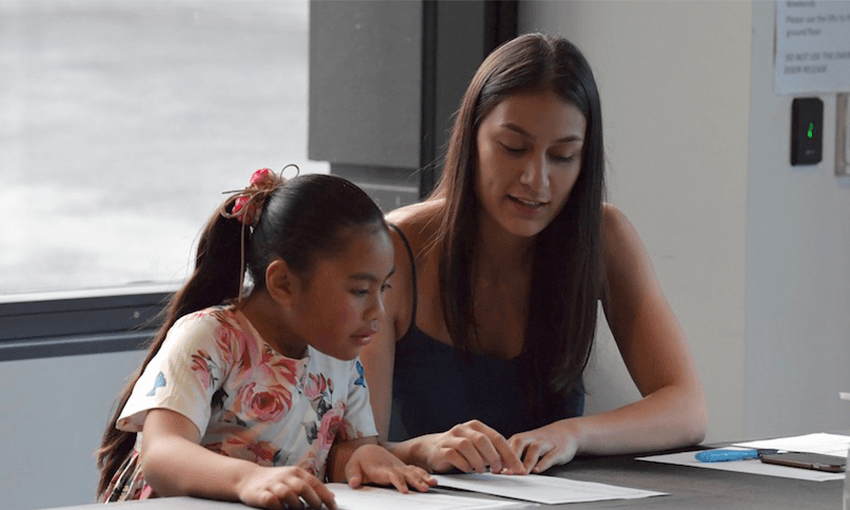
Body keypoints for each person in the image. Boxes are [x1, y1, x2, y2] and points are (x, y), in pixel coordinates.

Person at [360, 33, 708, 476]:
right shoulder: (395, 249)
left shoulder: (604, 237)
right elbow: (351, 447)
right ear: (472, 138)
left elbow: (686, 406)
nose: (536, 179)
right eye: (513, 148)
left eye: (563, 156)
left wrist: (573, 434)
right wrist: (423, 450)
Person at [96, 168, 434, 509]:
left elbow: (337, 453)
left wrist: (365, 459)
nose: (378, 311)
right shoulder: (211, 337)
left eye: (384, 288)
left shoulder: (340, 354)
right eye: (360, 290)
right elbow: (163, 454)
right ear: (283, 283)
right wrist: (249, 478)